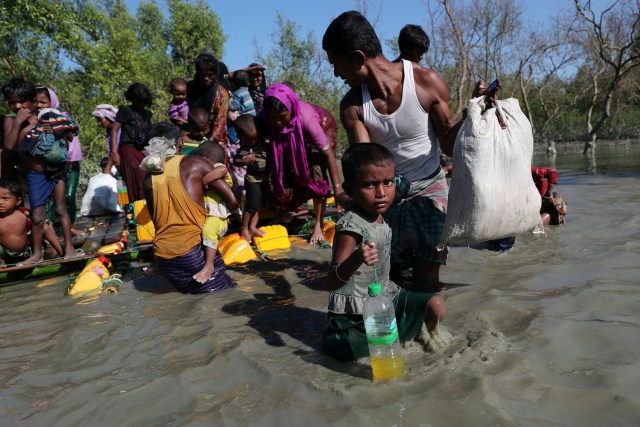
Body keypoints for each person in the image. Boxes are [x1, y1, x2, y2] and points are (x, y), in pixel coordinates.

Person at [322, 11, 469, 291]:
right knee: (389, 282)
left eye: (336, 64)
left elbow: (449, 143)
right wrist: (348, 196)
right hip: (386, 194)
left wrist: (471, 116)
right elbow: (366, 163)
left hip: (430, 190)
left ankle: (433, 332)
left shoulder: (426, 82)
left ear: (357, 58)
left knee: (426, 283)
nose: (336, 74)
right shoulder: (353, 105)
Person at [322, 143, 446, 361]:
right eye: (370, 185)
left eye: (387, 182)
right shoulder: (351, 227)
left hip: (386, 299)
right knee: (357, 354)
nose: (381, 193)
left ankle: (423, 336)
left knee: (436, 305)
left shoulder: (382, 212)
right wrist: (357, 258)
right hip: (355, 315)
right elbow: (332, 282)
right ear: (350, 189)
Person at [258, 83, 347, 244]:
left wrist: (338, 190)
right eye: (273, 118)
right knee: (282, 169)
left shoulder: (307, 118)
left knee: (316, 172)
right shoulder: (264, 116)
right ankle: (285, 213)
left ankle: (318, 224)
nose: (277, 122)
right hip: (291, 137)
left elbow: (328, 155)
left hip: (323, 127)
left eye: (281, 117)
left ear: (291, 109)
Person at [143, 140, 236, 294]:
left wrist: (224, 213)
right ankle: (209, 266)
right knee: (220, 293)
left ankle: (158, 263)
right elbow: (233, 200)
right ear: (178, 144)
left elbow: (157, 222)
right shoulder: (196, 166)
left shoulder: (149, 178)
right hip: (192, 248)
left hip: (165, 255)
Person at [34, 87, 83, 225]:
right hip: (48, 167)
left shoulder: (62, 118)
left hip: (69, 164)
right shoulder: (35, 121)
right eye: (36, 102)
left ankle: (71, 226)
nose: (39, 105)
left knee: (68, 196)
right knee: (51, 201)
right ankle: (56, 229)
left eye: (43, 102)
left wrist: (68, 164)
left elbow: (72, 143)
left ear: (52, 102)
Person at [192, 142, 238, 283]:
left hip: (218, 217)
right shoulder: (211, 169)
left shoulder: (218, 168)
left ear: (206, 160)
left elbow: (222, 170)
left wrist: (205, 180)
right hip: (209, 214)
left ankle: (209, 266)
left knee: (208, 231)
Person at [0, 178, 64, 267]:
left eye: (5, 198)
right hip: (7, 256)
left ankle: (63, 252)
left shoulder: (24, 213)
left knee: (43, 226)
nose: (0, 202)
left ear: (18, 201)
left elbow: (44, 224)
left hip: (29, 253)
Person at [110, 82, 153, 202]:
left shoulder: (147, 114)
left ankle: (146, 209)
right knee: (138, 175)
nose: (140, 105)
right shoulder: (125, 111)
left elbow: (150, 134)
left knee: (148, 176)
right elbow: (114, 129)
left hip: (142, 151)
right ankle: (135, 208)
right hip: (127, 149)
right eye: (137, 101)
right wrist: (114, 152)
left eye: (142, 102)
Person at [232, 114, 268, 242]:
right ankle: (244, 227)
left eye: (254, 139)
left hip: (263, 179)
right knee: (251, 205)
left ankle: (253, 227)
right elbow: (236, 161)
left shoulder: (264, 143)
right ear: (241, 138)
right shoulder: (245, 148)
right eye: (248, 140)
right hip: (252, 180)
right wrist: (244, 160)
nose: (252, 142)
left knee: (258, 205)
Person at [186, 52, 229, 146]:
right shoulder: (190, 88)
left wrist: (207, 145)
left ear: (216, 73)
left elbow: (220, 123)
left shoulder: (222, 94)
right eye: (202, 75)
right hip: (189, 138)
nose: (206, 78)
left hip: (212, 141)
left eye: (210, 75)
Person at [2, 77, 35, 180]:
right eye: (12, 102)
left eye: (22, 101)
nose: (17, 106)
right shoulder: (10, 121)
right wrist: (17, 122)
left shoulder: (41, 120)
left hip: (37, 174)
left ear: (33, 101)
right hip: (16, 175)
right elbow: (9, 146)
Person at [92, 104, 119, 173]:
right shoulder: (109, 131)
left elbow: (117, 151)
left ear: (108, 117)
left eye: (100, 120)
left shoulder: (119, 130)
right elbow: (111, 152)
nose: (99, 123)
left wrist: (108, 167)